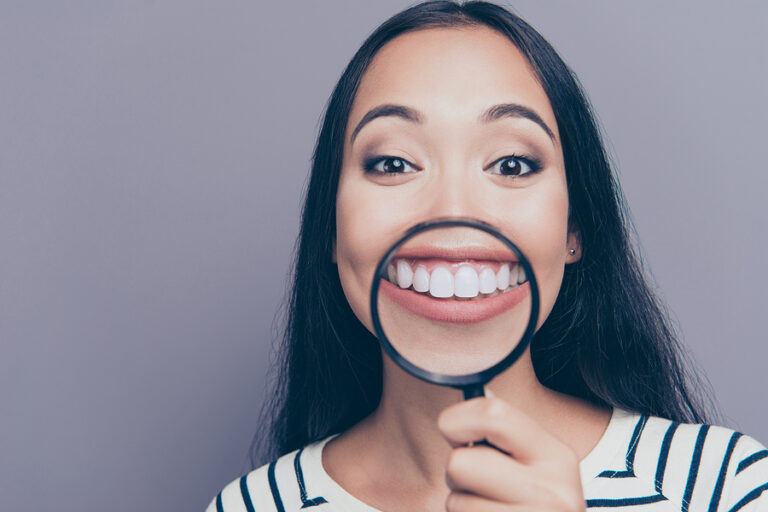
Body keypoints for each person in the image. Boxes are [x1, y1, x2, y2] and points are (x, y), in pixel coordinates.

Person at [207, 2, 768, 510]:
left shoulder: (727, 488)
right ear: (331, 229)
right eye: (394, 163)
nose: (454, 208)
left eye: (513, 165)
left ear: (575, 229)